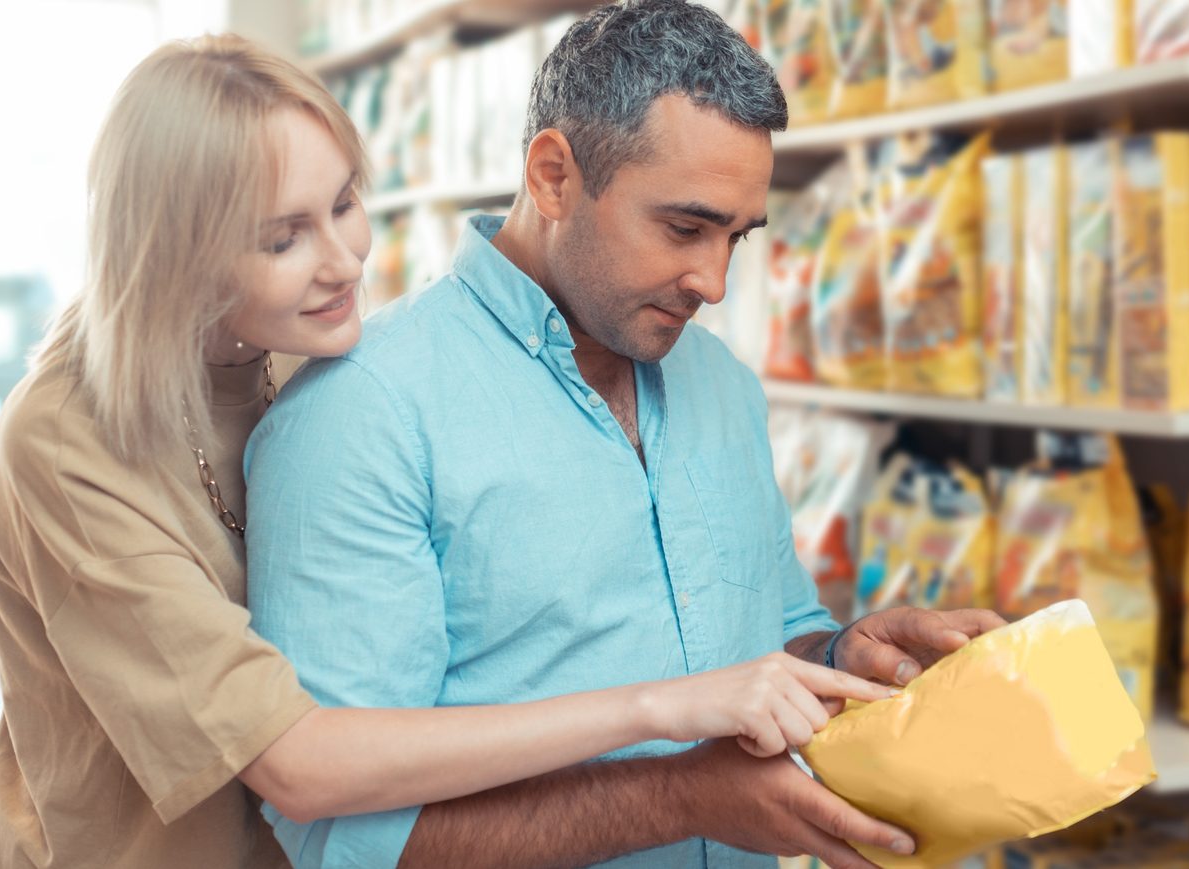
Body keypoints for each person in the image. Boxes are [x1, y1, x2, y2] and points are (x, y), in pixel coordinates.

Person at [0, 33, 901, 869]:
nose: (345, 262)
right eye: (282, 236)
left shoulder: (296, 346)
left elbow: (756, 625)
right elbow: (301, 765)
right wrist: (664, 713)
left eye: (344, 203)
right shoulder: (77, 439)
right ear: (174, 252)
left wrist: (840, 655)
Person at [243, 2, 1007, 867]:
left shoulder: (719, 384)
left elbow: (767, 632)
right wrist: (681, 797)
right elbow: (341, 834)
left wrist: (841, 655)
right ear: (553, 177)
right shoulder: (361, 413)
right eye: (684, 228)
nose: (713, 282)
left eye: (736, 237)